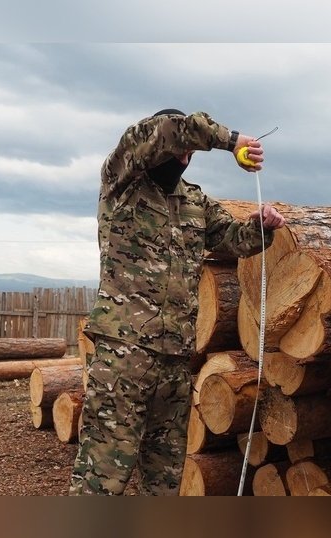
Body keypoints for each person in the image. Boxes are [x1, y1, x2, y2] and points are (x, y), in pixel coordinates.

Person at [69, 109, 286, 495]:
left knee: (166, 480)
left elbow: (231, 239)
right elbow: (170, 130)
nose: (184, 159)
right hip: (125, 356)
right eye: (180, 150)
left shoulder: (194, 201)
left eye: (190, 154)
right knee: (101, 479)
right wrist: (233, 140)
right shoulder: (122, 181)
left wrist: (260, 226)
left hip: (175, 360)